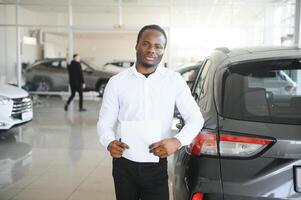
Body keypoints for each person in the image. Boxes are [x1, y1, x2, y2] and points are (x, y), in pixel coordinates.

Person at [97, 24, 204, 200]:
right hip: (124, 164)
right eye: (146, 44)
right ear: (137, 45)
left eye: (158, 46)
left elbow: (195, 119)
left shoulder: (173, 80)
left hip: (157, 164)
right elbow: (105, 122)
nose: (152, 50)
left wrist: (177, 141)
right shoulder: (117, 82)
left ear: (163, 50)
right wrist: (109, 142)